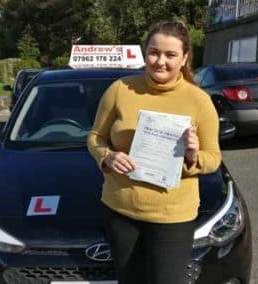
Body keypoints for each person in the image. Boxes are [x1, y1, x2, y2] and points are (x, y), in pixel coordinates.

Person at [87, 21, 221, 284]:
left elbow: (214, 158)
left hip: (172, 216)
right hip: (121, 210)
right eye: (154, 52)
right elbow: (95, 137)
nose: (160, 61)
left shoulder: (199, 100)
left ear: (184, 58)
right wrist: (108, 157)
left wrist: (193, 156)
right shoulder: (120, 89)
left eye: (170, 55)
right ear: (144, 53)